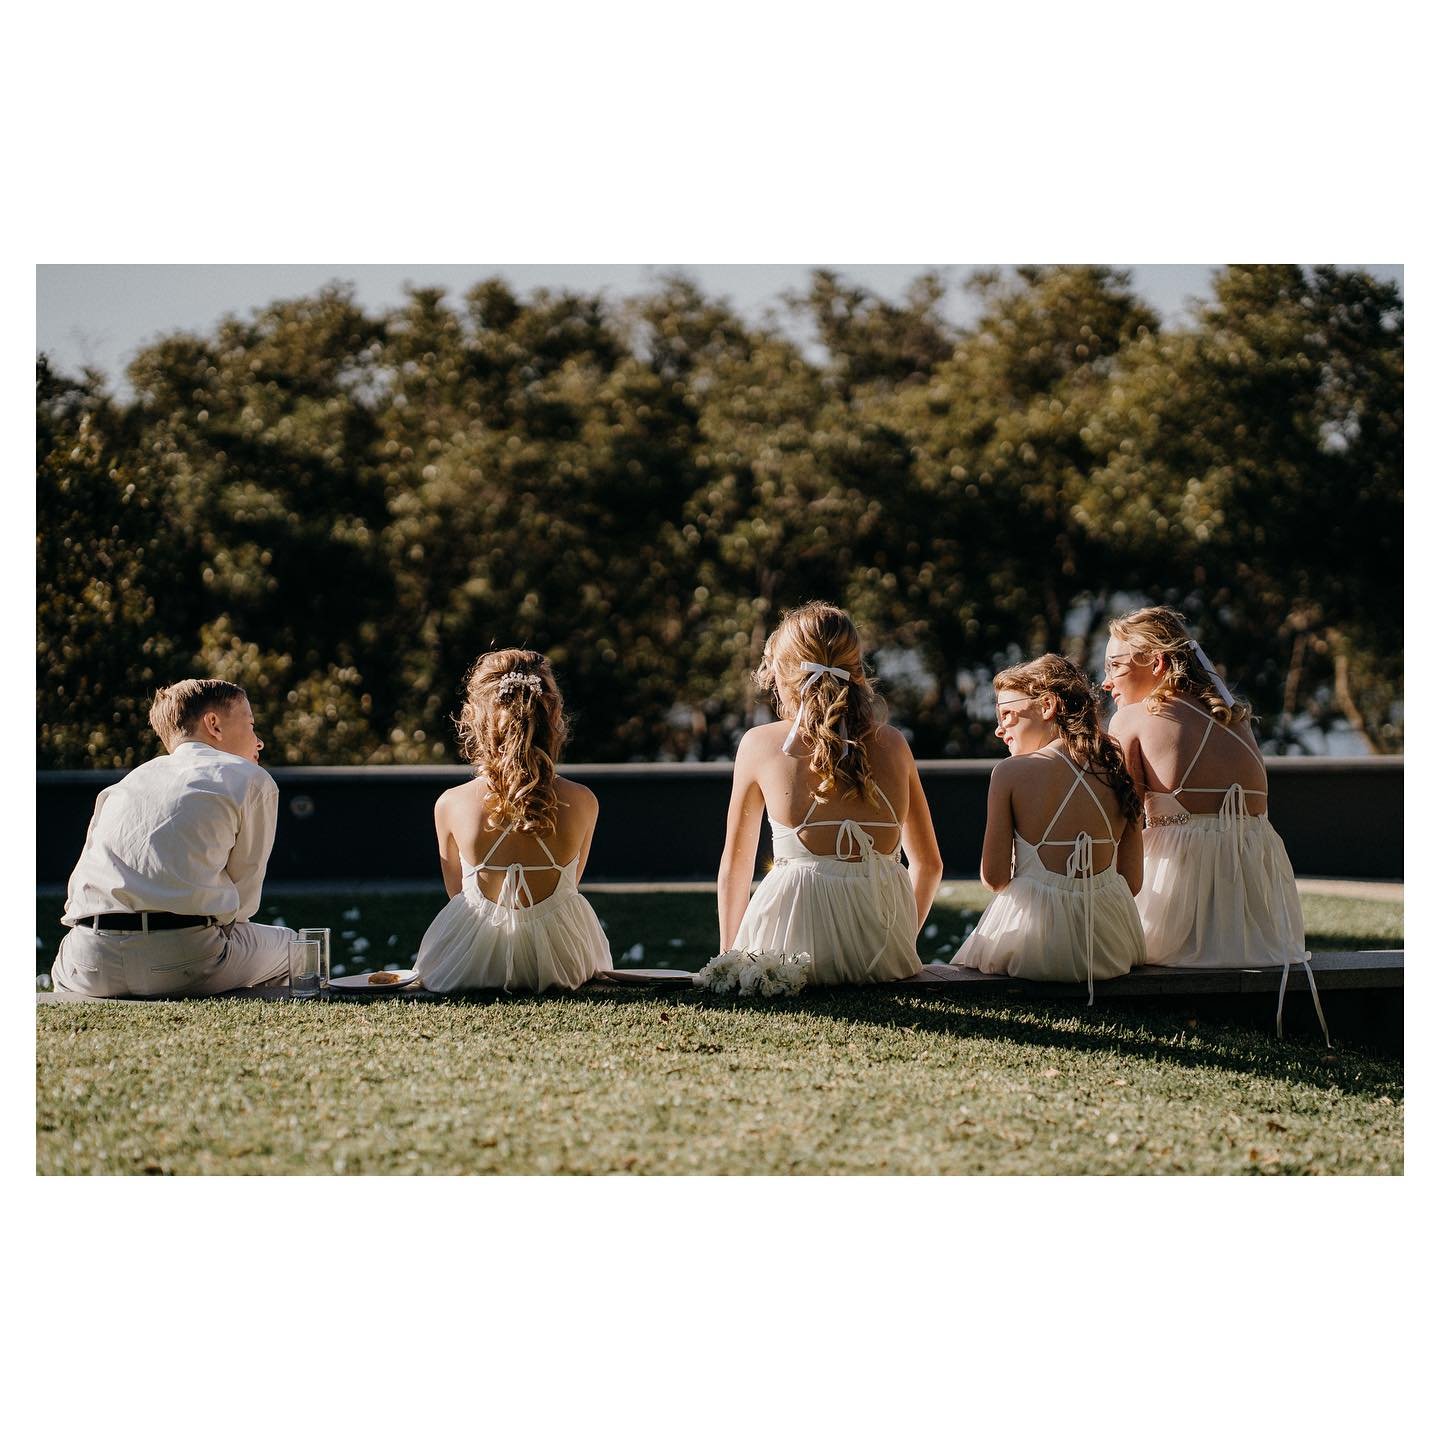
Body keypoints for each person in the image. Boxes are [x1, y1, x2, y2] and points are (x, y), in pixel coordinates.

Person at [1103, 605, 1328, 1041]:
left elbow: (1121, 824)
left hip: (1180, 899)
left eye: (1115, 665)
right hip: (1258, 919)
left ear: (1158, 662)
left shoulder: (1132, 718)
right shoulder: (1233, 717)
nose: (1106, 681)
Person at [717, 602, 942, 983]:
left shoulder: (760, 745)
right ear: (857, 672)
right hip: (882, 958)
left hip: (786, 953)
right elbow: (930, 866)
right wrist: (900, 944)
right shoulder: (894, 745)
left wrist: (729, 960)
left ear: (782, 674)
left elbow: (735, 869)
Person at [52, 679, 302, 998]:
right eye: (251, 726)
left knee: (63, 970)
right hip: (185, 959)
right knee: (300, 948)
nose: (259, 742)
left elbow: (78, 889)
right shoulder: (249, 779)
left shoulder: (123, 786)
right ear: (213, 724)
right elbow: (243, 904)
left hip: (89, 959)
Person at [416, 650, 611, 992]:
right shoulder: (583, 800)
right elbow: (571, 885)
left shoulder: (450, 803)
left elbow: (457, 894)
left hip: (470, 964)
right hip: (563, 961)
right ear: (554, 716)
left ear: (475, 718)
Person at [954, 655, 1145, 1000]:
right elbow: (1131, 883)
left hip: (1035, 947)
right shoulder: (1116, 769)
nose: (999, 729)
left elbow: (994, 878)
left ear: (1046, 706)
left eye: (1007, 714)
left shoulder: (1010, 773)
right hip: (1111, 947)